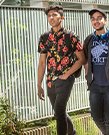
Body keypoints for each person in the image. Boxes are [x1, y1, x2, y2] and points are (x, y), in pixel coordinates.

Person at [37, 5, 85, 135]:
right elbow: (42, 63)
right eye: (49, 15)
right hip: (50, 80)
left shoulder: (71, 36)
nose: (51, 17)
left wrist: (67, 74)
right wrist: (39, 84)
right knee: (59, 112)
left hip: (65, 79)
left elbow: (81, 59)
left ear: (61, 17)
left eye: (54, 15)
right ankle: (73, 133)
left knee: (59, 109)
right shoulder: (44, 37)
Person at [83, 8, 109, 135]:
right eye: (93, 19)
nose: (96, 21)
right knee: (96, 117)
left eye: (99, 18)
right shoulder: (89, 40)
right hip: (95, 85)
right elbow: (85, 58)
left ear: (105, 20)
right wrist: (87, 71)